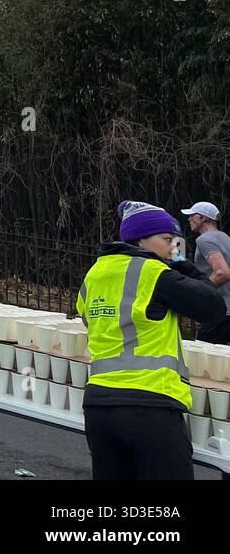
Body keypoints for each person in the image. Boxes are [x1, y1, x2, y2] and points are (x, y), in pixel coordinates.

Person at [79, 201, 225, 481]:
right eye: (168, 240)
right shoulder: (154, 273)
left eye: (177, 242)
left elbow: (89, 319)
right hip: (150, 407)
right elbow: (213, 307)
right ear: (140, 240)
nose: (173, 247)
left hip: (99, 405)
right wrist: (182, 263)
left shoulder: (94, 274)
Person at [182, 201, 230, 345]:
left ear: (204, 218)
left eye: (192, 215)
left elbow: (222, 272)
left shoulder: (205, 240)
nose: (189, 218)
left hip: (220, 311)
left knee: (204, 359)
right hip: (226, 311)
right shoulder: (226, 238)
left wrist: (198, 292)